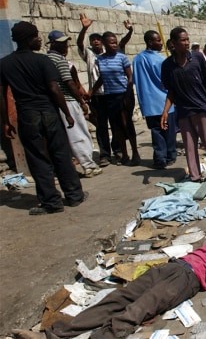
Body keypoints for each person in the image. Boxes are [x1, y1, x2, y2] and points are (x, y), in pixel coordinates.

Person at [12, 225, 206, 339]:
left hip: (188, 278)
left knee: (138, 309)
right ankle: (54, 334)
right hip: (175, 266)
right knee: (118, 298)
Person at [0, 21, 87, 215]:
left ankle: (51, 202)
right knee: (61, 154)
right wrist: (66, 112)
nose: (40, 39)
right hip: (48, 112)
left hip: (27, 115)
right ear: (29, 39)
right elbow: (54, 89)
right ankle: (74, 195)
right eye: (36, 36)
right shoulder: (43, 61)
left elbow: (2, 95)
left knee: (37, 158)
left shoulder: (5, 64)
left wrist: (6, 121)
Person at [160, 27, 206, 187]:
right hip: (183, 112)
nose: (186, 43)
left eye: (187, 39)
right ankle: (195, 177)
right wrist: (165, 112)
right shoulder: (167, 66)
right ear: (173, 43)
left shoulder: (197, 58)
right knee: (189, 147)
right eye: (182, 40)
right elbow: (171, 92)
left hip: (201, 108)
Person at [77, 14, 133, 167]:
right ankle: (104, 155)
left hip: (112, 94)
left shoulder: (113, 55)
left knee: (116, 125)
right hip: (98, 96)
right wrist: (84, 29)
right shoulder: (90, 56)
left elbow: (122, 44)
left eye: (97, 40)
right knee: (101, 125)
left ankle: (118, 150)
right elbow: (79, 44)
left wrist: (130, 31)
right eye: (92, 40)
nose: (95, 42)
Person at [46, 30, 102, 178]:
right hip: (67, 101)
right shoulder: (59, 60)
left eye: (66, 42)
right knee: (77, 133)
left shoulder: (47, 59)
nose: (66, 45)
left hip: (53, 104)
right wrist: (81, 101)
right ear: (53, 44)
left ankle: (67, 166)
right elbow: (69, 83)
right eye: (62, 43)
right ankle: (88, 165)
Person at [91, 32, 140, 166]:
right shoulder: (100, 59)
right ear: (104, 44)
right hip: (109, 96)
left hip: (124, 94)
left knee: (126, 124)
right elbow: (102, 78)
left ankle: (135, 153)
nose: (114, 45)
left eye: (115, 42)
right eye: (111, 43)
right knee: (116, 126)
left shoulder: (121, 58)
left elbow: (130, 78)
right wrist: (92, 91)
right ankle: (124, 154)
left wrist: (127, 95)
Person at [133, 31, 177, 169]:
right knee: (169, 131)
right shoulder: (160, 60)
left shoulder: (137, 59)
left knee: (156, 132)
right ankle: (170, 156)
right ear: (150, 42)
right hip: (164, 101)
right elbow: (167, 81)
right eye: (158, 40)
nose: (161, 43)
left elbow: (135, 80)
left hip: (148, 103)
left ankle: (159, 158)